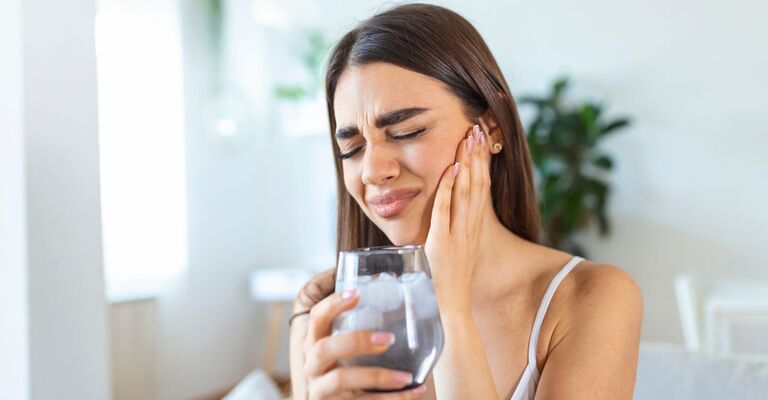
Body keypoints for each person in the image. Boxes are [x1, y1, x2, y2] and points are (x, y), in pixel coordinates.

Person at [288, 3, 643, 399]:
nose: (372, 170)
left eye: (407, 131)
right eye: (351, 149)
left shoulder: (590, 298)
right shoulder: (325, 305)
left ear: (491, 127)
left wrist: (450, 306)